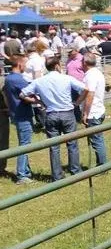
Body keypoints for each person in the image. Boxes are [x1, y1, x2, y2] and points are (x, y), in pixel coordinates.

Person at [19, 57, 89, 181]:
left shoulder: (39, 81)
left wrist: (39, 101)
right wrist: (77, 103)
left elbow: (22, 94)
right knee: (72, 143)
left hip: (50, 114)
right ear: (57, 65)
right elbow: (85, 89)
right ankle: (75, 170)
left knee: (54, 146)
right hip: (67, 113)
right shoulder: (66, 78)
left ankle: (57, 175)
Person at [2, 54, 35, 184]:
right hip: (23, 115)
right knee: (24, 145)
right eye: (25, 64)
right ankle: (22, 175)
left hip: (17, 114)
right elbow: (30, 91)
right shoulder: (17, 79)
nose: (26, 67)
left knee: (24, 143)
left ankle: (26, 170)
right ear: (20, 64)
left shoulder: (9, 78)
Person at [81, 52, 107, 165]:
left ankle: (102, 166)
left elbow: (90, 95)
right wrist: (77, 103)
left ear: (85, 63)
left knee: (97, 140)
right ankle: (101, 164)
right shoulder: (97, 73)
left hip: (93, 112)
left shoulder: (90, 76)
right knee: (97, 139)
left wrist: (86, 113)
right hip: (99, 109)